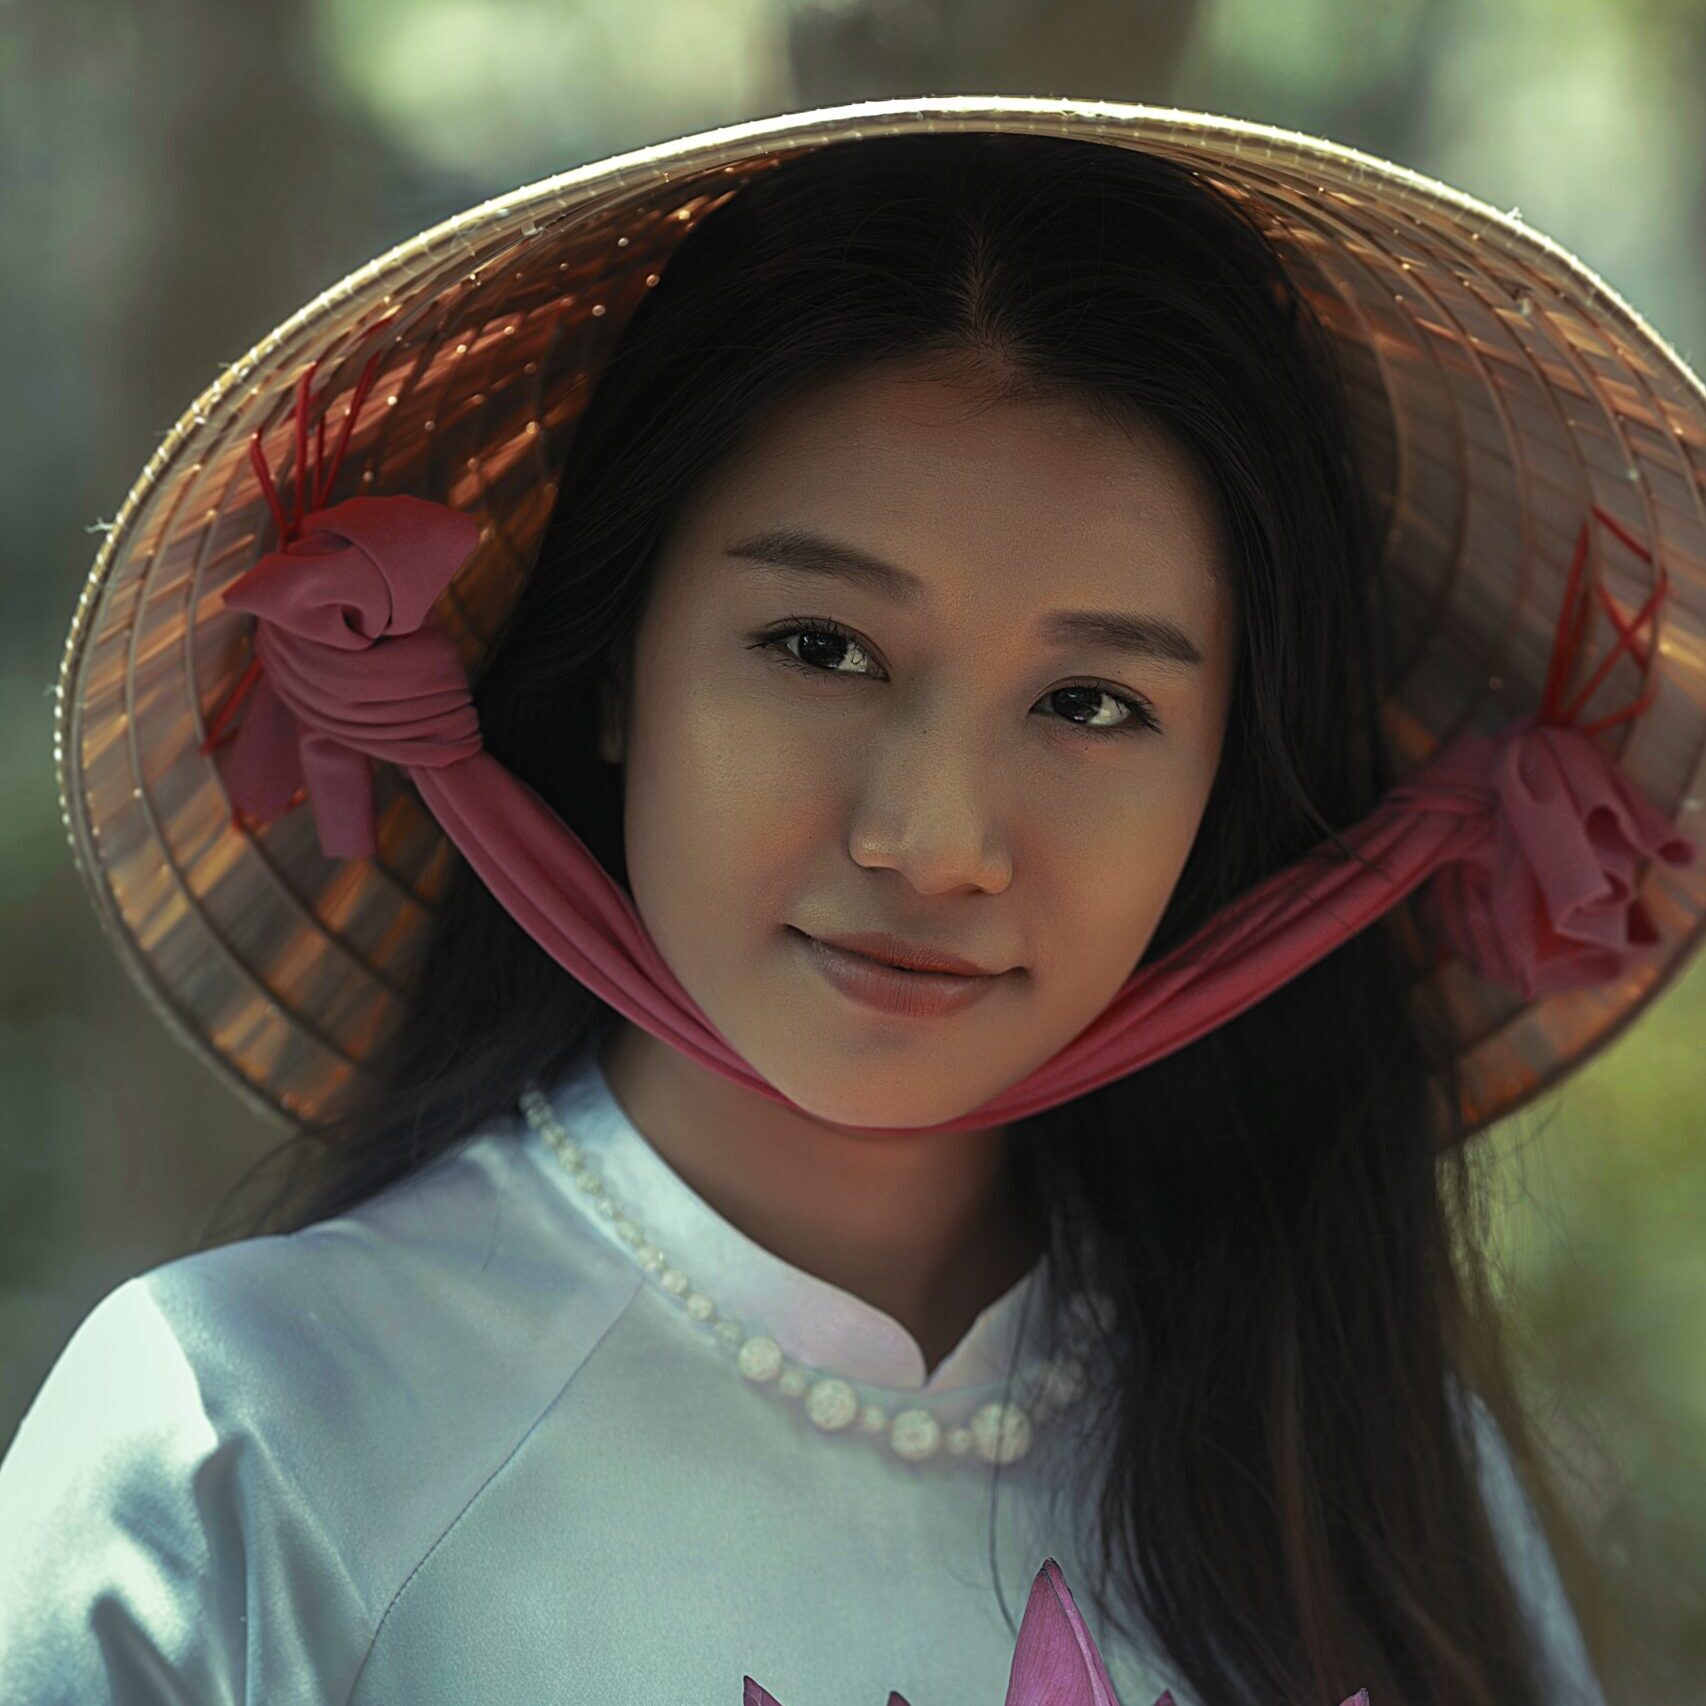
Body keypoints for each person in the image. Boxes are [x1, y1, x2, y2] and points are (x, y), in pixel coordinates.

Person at [5, 103, 1699, 1706]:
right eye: (819, 648)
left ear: (1220, 789)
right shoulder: (243, 1438)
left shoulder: (1376, 1473)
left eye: (1094, 703)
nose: (932, 837)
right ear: (616, 668)